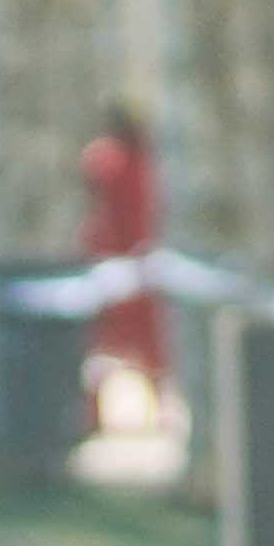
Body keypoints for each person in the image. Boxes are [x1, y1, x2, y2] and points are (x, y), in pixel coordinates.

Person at [76, 102, 167, 431]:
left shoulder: (106, 161)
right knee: (145, 349)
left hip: (114, 261)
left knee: (102, 346)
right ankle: (155, 411)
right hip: (137, 260)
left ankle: (94, 416)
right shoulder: (147, 164)